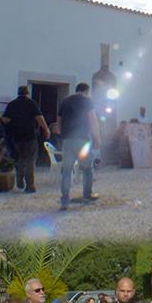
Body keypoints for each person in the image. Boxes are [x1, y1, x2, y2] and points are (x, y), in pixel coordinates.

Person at [57, 82, 101, 210]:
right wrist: (97, 138)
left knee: (66, 171)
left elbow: (59, 119)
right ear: (86, 91)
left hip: (67, 139)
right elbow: (93, 119)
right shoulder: (87, 100)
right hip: (83, 139)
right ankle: (87, 194)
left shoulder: (65, 101)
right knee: (87, 168)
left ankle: (64, 200)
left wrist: (61, 134)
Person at [1, 85, 50, 193]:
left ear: (18, 93)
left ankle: (19, 178)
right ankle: (30, 185)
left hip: (16, 136)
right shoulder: (31, 103)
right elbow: (39, 118)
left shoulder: (12, 104)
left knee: (19, 158)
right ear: (27, 93)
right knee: (30, 160)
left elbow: (5, 119)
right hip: (30, 136)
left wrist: (14, 122)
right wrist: (46, 129)